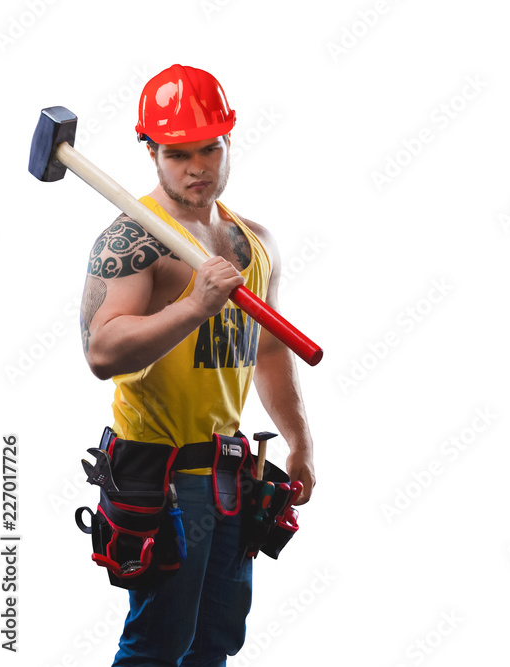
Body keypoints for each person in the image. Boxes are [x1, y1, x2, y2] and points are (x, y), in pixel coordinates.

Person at [78, 63, 316, 666]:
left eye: (210, 149)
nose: (197, 168)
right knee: (158, 646)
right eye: (179, 153)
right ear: (151, 150)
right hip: (162, 475)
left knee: (215, 643)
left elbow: (266, 349)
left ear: (228, 141)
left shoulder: (251, 241)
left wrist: (299, 441)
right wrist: (195, 305)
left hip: (233, 471)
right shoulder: (133, 239)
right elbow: (102, 353)